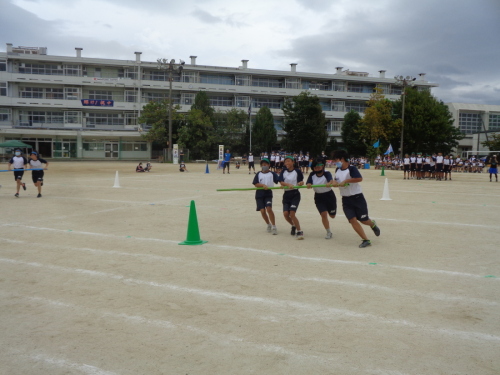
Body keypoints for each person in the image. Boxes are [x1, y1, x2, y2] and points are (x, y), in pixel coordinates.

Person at [332, 150, 380, 248]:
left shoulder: (352, 169)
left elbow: (359, 178)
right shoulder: (337, 170)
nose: (335, 162)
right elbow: (337, 182)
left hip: (357, 198)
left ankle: (372, 224)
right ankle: (366, 240)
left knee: (364, 220)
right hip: (346, 199)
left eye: (336, 160)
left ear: (342, 159)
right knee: (352, 220)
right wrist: (334, 183)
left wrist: (346, 180)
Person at [306, 158, 336, 239]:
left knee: (332, 215)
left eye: (319, 166)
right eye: (315, 167)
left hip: (329, 196)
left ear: (323, 166)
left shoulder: (327, 173)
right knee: (323, 214)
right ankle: (328, 232)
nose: (317, 168)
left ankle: (332, 212)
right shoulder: (312, 174)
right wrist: (308, 184)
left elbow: (331, 180)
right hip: (318, 197)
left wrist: (329, 183)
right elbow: (308, 182)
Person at [279, 156, 305, 240]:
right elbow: (281, 181)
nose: (287, 163)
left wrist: (300, 183)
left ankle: (299, 231)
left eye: (288, 161)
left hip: (295, 194)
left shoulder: (297, 171)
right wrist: (287, 185)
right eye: (285, 162)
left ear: (293, 162)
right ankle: (293, 225)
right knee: (286, 214)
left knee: (292, 214)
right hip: (286, 194)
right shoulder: (283, 171)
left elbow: (300, 181)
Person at [253, 158, 279, 235]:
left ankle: (274, 226)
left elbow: (279, 181)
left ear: (269, 165)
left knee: (269, 209)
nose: (264, 166)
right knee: (262, 211)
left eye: (266, 164)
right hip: (259, 194)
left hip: (268, 193)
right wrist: (263, 185)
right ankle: (268, 224)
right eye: (263, 164)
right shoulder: (258, 174)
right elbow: (256, 184)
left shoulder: (272, 174)